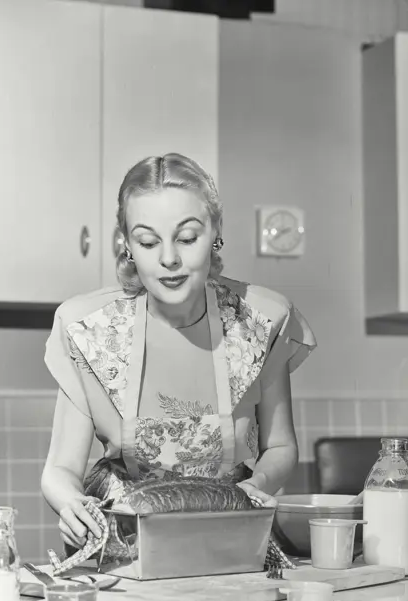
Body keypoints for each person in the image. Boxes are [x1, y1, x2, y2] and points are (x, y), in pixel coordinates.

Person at [41, 153, 317, 551]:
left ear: (216, 231)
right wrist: (71, 504)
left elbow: (281, 446)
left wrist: (255, 487)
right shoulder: (87, 329)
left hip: (233, 531)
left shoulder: (261, 321)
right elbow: (60, 468)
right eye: (148, 241)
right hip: (123, 540)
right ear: (127, 244)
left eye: (187, 238)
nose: (169, 258)